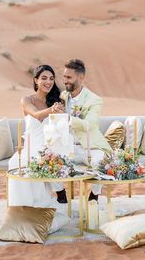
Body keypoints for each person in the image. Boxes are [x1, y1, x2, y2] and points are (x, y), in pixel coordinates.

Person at [8, 64, 67, 207]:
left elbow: (62, 128)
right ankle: (23, 207)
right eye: (44, 78)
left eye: (51, 78)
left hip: (52, 144)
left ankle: (45, 202)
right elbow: (35, 115)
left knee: (43, 158)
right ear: (35, 80)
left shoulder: (58, 101)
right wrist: (52, 110)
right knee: (15, 163)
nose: (48, 82)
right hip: (31, 144)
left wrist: (61, 113)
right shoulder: (27, 100)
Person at [61, 59, 113, 201]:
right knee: (46, 161)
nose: (65, 81)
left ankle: (94, 195)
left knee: (101, 161)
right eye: (64, 77)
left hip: (89, 148)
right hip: (68, 148)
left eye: (69, 77)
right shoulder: (63, 96)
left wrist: (67, 120)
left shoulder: (94, 100)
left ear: (81, 77)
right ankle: (60, 194)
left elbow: (90, 124)